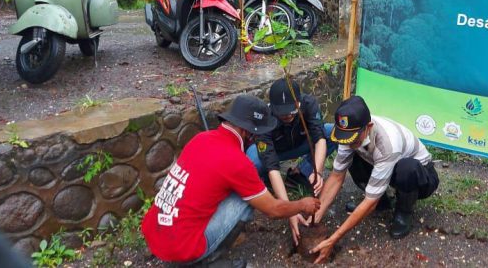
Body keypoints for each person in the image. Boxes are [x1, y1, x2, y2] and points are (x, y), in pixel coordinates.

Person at [141, 94, 320, 265]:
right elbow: (272, 210)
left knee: (237, 190)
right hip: (182, 249)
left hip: (155, 234)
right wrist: (301, 205)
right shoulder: (237, 162)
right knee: (248, 199)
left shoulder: (200, 138)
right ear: (247, 132)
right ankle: (209, 260)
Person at [309, 95, 439, 264]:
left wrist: (333, 239)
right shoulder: (348, 133)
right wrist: (316, 216)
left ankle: (403, 212)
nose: (348, 143)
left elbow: (370, 200)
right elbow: (336, 176)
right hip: (385, 167)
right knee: (353, 159)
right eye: (345, 138)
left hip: (421, 177)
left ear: (368, 127)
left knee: (408, 169)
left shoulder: (387, 144)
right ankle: (383, 203)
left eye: (354, 138)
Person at [245, 78, 336, 245]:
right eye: (282, 112)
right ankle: (265, 184)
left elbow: (319, 139)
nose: (287, 115)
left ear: (299, 103)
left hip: (300, 145)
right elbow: (272, 166)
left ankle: (302, 173)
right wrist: (290, 211)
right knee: (252, 161)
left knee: (331, 132)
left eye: (292, 110)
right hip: (276, 153)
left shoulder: (309, 104)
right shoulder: (264, 118)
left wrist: (318, 171)